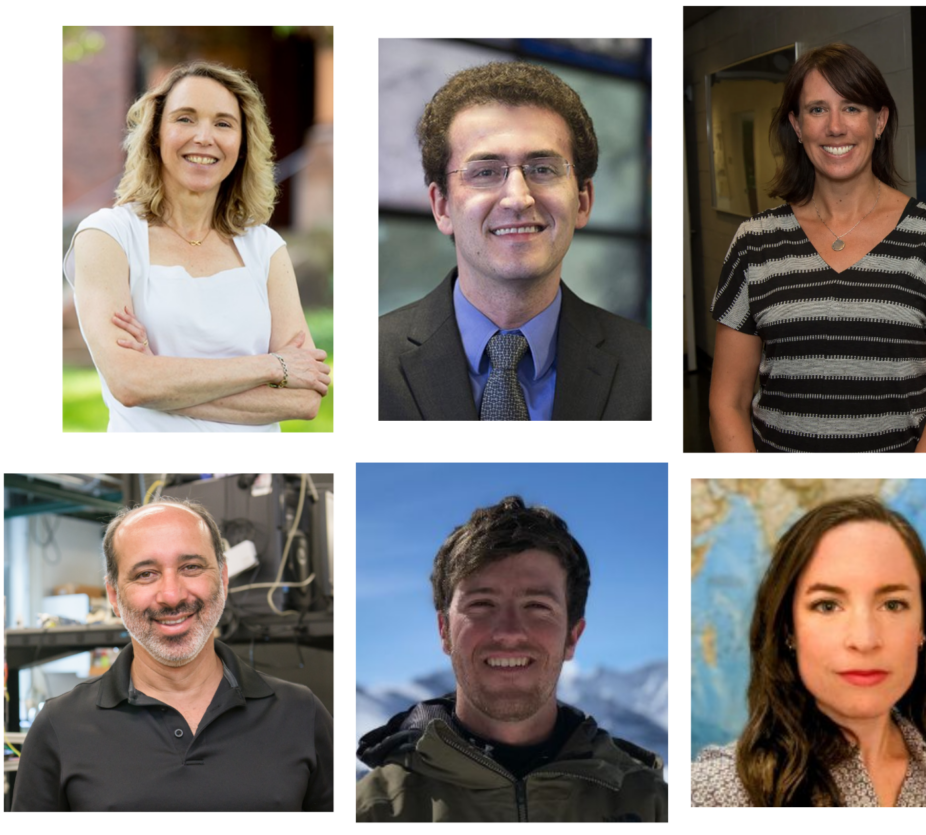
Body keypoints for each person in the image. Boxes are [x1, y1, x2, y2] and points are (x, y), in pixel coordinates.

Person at [708, 43, 926, 452]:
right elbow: (727, 401)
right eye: (817, 109)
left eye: (852, 107)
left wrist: (907, 493)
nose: (835, 127)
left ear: (880, 120)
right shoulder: (754, 242)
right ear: (797, 126)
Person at [356, 496, 667, 821]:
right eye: (482, 605)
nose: (508, 632)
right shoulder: (373, 812)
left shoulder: (651, 804)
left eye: (537, 607)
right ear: (444, 631)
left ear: (572, 636)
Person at [11, 497, 333, 811]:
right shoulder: (59, 727)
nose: (171, 595)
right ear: (113, 593)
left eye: (191, 567)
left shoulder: (301, 714)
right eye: (145, 574)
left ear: (222, 577)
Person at [63, 62, 331, 432]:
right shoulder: (106, 236)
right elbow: (129, 383)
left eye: (223, 123)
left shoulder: (266, 247)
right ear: (155, 135)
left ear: (241, 145)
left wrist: (161, 383)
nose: (204, 137)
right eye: (185, 119)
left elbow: (304, 398)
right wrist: (273, 366)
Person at [379, 62, 651, 421]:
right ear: (442, 206)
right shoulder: (371, 363)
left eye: (543, 169)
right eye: (486, 172)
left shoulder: (650, 369)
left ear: (583, 200)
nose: (518, 198)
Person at [691, 496, 926, 806]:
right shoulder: (713, 793)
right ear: (788, 629)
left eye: (893, 604)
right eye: (827, 605)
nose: (864, 639)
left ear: (923, 627)